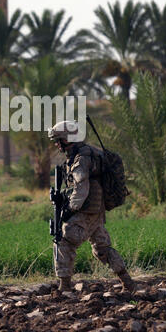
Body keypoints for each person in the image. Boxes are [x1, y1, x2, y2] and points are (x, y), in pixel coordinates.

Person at [48, 120, 136, 293]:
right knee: (102, 248)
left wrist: (69, 210)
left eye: (59, 140)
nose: (57, 144)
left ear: (68, 139)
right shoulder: (92, 152)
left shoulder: (81, 159)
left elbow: (81, 187)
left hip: (86, 210)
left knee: (63, 241)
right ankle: (128, 283)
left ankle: (64, 287)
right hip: (96, 210)